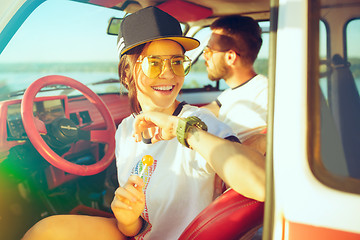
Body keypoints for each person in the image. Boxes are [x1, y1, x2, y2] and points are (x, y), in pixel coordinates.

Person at [22, 7, 265, 240]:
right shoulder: (125, 131)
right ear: (127, 73)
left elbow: (261, 184)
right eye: (155, 63)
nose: (169, 74)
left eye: (177, 62)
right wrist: (127, 218)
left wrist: (183, 130)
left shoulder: (198, 123)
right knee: (44, 231)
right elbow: (138, 224)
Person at [202, 15, 268, 146]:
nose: (205, 56)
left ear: (230, 57)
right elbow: (208, 110)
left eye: (209, 51)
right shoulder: (230, 94)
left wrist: (262, 141)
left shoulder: (267, 92)